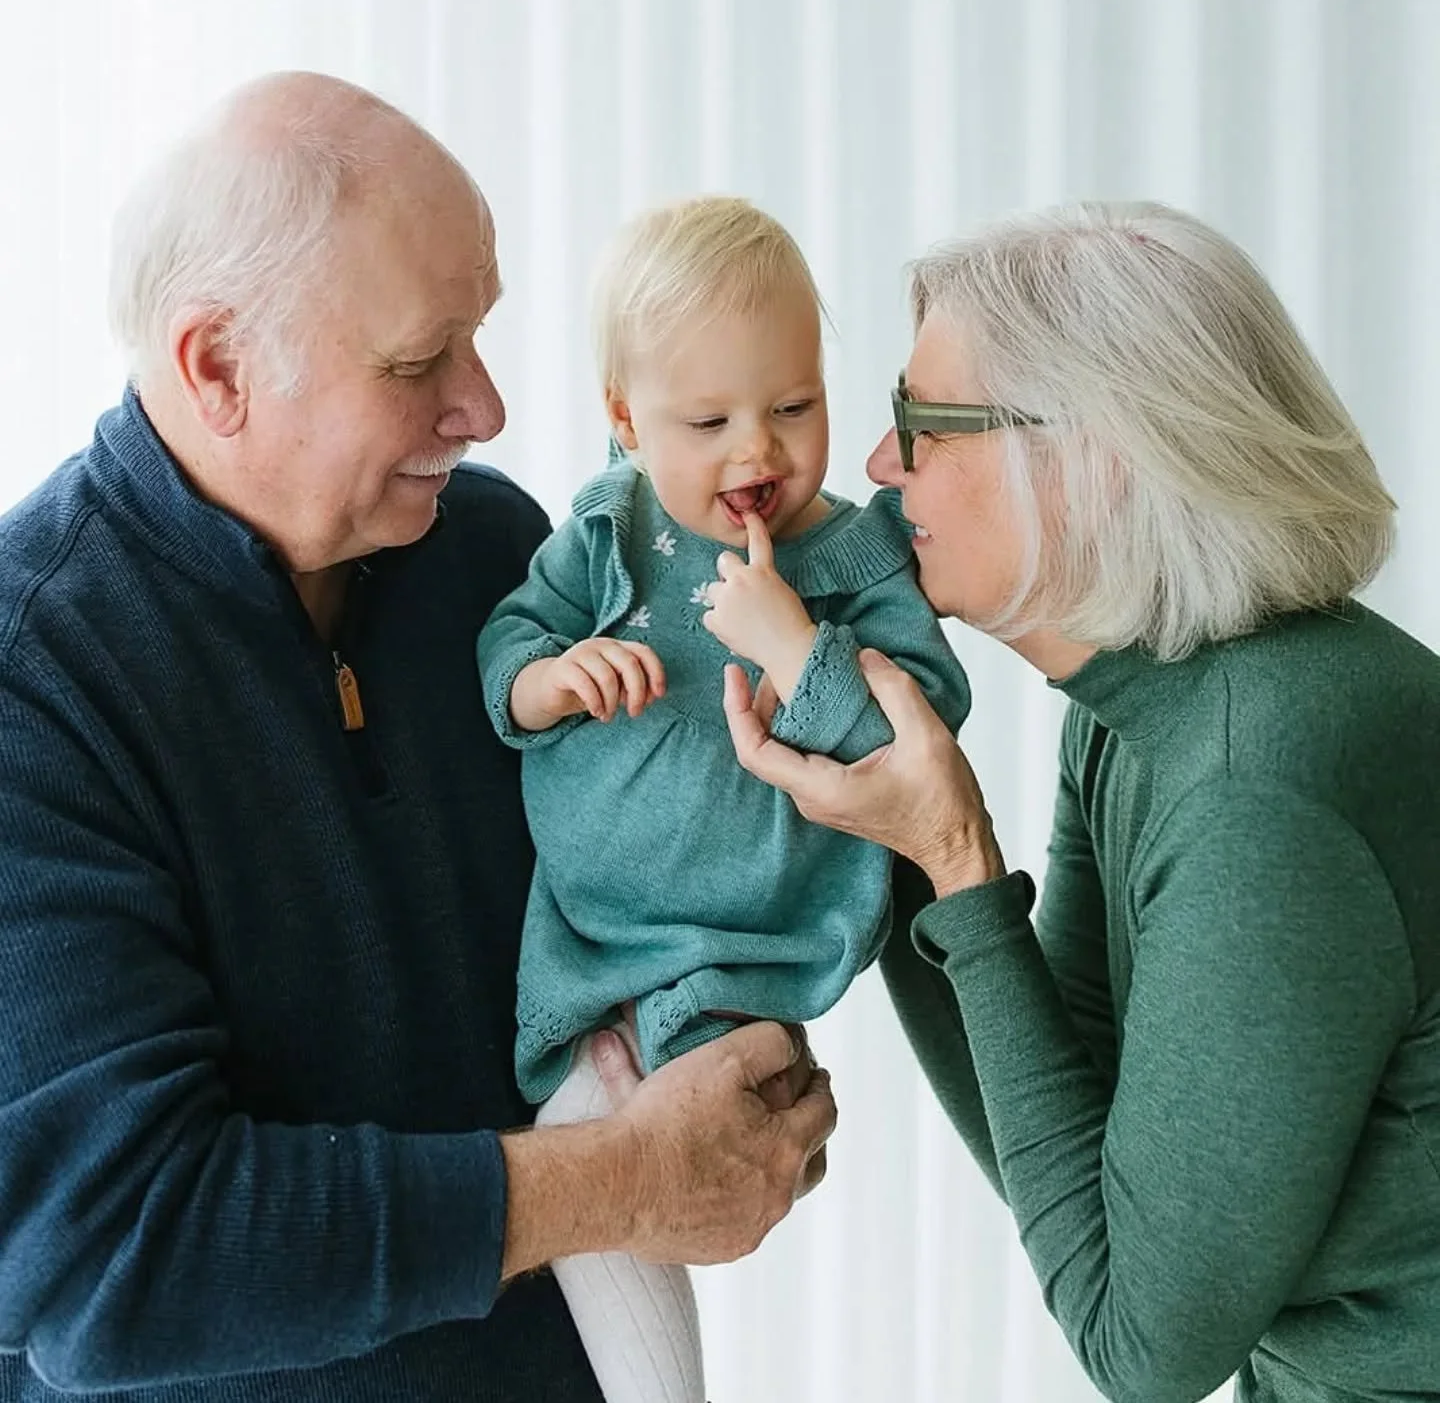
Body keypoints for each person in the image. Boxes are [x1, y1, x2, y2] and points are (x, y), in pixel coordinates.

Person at [0, 73, 835, 1403]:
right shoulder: (34, 676)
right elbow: (108, 1248)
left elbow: (640, 911)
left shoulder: (506, 558)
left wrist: (733, 1071)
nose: (486, 406)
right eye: (416, 362)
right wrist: (628, 1178)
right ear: (218, 366)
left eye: (480, 335)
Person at [725, 200, 1440, 1403]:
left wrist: (950, 852)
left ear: (1094, 459)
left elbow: (1140, 1344)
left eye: (923, 423)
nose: (878, 466)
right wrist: (897, 825)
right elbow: (1073, 1130)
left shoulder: (1259, 792)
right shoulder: (1145, 697)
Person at [475, 196, 972, 1403]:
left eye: (794, 406)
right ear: (623, 416)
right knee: (584, 1160)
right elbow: (510, 642)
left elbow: (923, 723)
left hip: (751, 946)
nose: (759, 451)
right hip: (588, 936)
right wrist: (548, 680)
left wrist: (800, 650)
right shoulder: (610, 528)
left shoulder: (851, 558)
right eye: (709, 421)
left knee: (689, 1159)